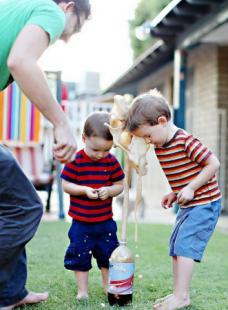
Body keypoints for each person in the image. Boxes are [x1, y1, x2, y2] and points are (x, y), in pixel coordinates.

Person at [0, 0, 90, 308]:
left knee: (13, 202)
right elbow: (21, 62)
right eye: (76, 27)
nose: (66, 38)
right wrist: (61, 122)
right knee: (23, 207)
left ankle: (10, 293)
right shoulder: (48, 10)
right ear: (69, 7)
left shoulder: (14, 9)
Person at [125, 89, 222, 310]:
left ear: (162, 121)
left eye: (148, 135)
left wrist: (190, 187)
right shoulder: (161, 144)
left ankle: (182, 296)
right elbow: (184, 171)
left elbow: (213, 164)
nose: (148, 142)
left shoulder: (185, 140)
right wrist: (175, 192)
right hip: (189, 203)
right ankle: (179, 293)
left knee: (185, 246)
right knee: (176, 246)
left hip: (205, 202)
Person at [61, 112, 125, 300]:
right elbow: (66, 185)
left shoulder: (111, 161)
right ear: (84, 138)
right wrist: (84, 190)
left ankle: (107, 286)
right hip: (81, 223)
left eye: (106, 150)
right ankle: (83, 291)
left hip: (105, 222)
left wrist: (109, 190)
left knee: (108, 255)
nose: (100, 155)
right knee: (80, 256)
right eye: (95, 149)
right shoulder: (76, 160)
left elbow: (120, 185)